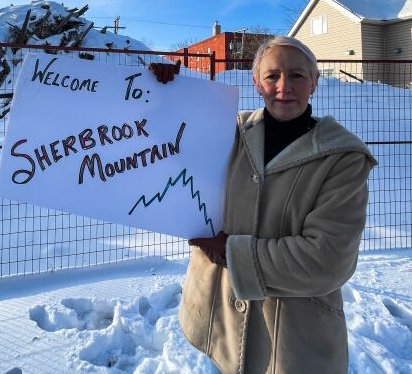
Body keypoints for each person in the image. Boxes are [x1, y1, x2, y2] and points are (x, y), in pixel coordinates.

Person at [149, 36, 377, 373]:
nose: (284, 86)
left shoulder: (341, 157)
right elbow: (159, 146)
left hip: (289, 343)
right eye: (272, 76)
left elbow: (327, 260)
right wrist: (163, 94)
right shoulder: (230, 130)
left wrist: (232, 254)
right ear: (257, 82)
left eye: (297, 75)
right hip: (216, 324)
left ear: (314, 81)